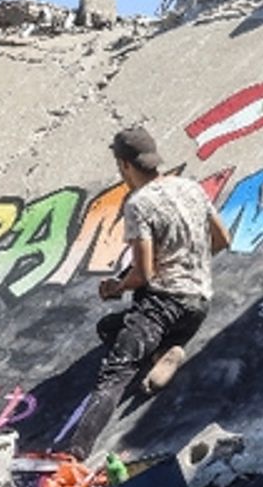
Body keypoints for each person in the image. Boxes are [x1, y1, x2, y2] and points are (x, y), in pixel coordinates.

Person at [61, 126, 230, 462]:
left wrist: (117, 287)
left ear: (125, 165)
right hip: (197, 306)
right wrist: (188, 263)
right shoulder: (190, 187)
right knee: (109, 329)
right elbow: (223, 239)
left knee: (114, 375)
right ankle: (168, 350)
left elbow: (144, 274)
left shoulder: (139, 204)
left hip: (159, 308)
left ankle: (74, 454)